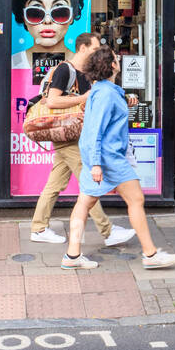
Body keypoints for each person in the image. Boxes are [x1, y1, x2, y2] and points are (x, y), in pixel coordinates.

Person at [63, 46, 175, 270]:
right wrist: (96, 163)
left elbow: (100, 120)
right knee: (136, 200)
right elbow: (96, 129)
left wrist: (124, 103)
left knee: (84, 204)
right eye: (116, 59)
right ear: (113, 65)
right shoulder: (106, 93)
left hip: (102, 157)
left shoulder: (104, 90)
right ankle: (150, 254)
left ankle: (72, 256)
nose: (119, 61)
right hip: (109, 159)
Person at [30, 32, 137, 247]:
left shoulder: (87, 74)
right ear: (82, 48)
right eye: (95, 49)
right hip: (67, 135)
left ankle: (38, 228)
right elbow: (51, 101)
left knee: (55, 183)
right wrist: (82, 98)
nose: (98, 53)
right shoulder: (64, 70)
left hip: (75, 133)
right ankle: (107, 231)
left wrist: (123, 100)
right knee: (90, 183)